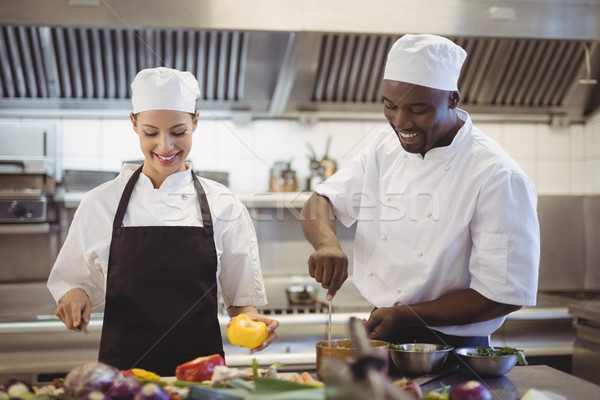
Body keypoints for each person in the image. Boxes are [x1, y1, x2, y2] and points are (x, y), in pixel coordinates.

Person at [301, 34, 540, 348]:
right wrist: (327, 244)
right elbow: (321, 201)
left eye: (418, 109)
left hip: (455, 349)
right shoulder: (384, 147)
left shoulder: (496, 174)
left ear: (453, 100)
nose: (401, 122)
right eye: (391, 106)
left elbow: (504, 294)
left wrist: (406, 316)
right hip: (385, 330)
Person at [48, 67, 278, 376]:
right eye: (151, 133)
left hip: (202, 381)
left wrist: (251, 324)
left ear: (195, 121)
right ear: (134, 123)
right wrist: (75, 296)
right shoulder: (100, 203)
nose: (165, 147)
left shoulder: (224, 205)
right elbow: (74, 282)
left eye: (178, 132)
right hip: (123, 381)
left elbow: (240, 303)